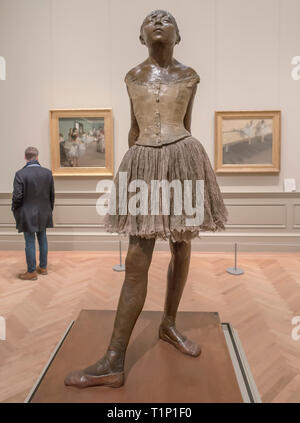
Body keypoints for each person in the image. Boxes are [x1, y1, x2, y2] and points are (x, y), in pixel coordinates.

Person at [65, 9, 228, 389]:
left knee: (182, 245)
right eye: (151, 19)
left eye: (166, 18)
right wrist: (140, 169)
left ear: (178, 34)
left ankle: (169, 325)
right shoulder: (132, 77)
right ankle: (114, 357)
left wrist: (176, 164)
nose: (158, 21)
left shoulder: (190, 76)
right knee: (137, 258)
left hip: (183, 158)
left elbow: (187, 124)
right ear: (141, 35)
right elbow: (135, 128)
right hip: (143, 161)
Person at [11, 147, 55, 280]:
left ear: (25, 157)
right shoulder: (47, 173)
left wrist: (15, 209)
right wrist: (49, 210)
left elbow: (17, 197)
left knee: (29, 242)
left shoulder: (20, 174)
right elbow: (51, 195)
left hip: (27, 213)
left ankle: (31, 272)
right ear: (37, 157)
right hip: (44, 212)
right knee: (43, 239)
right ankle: (43, 267)